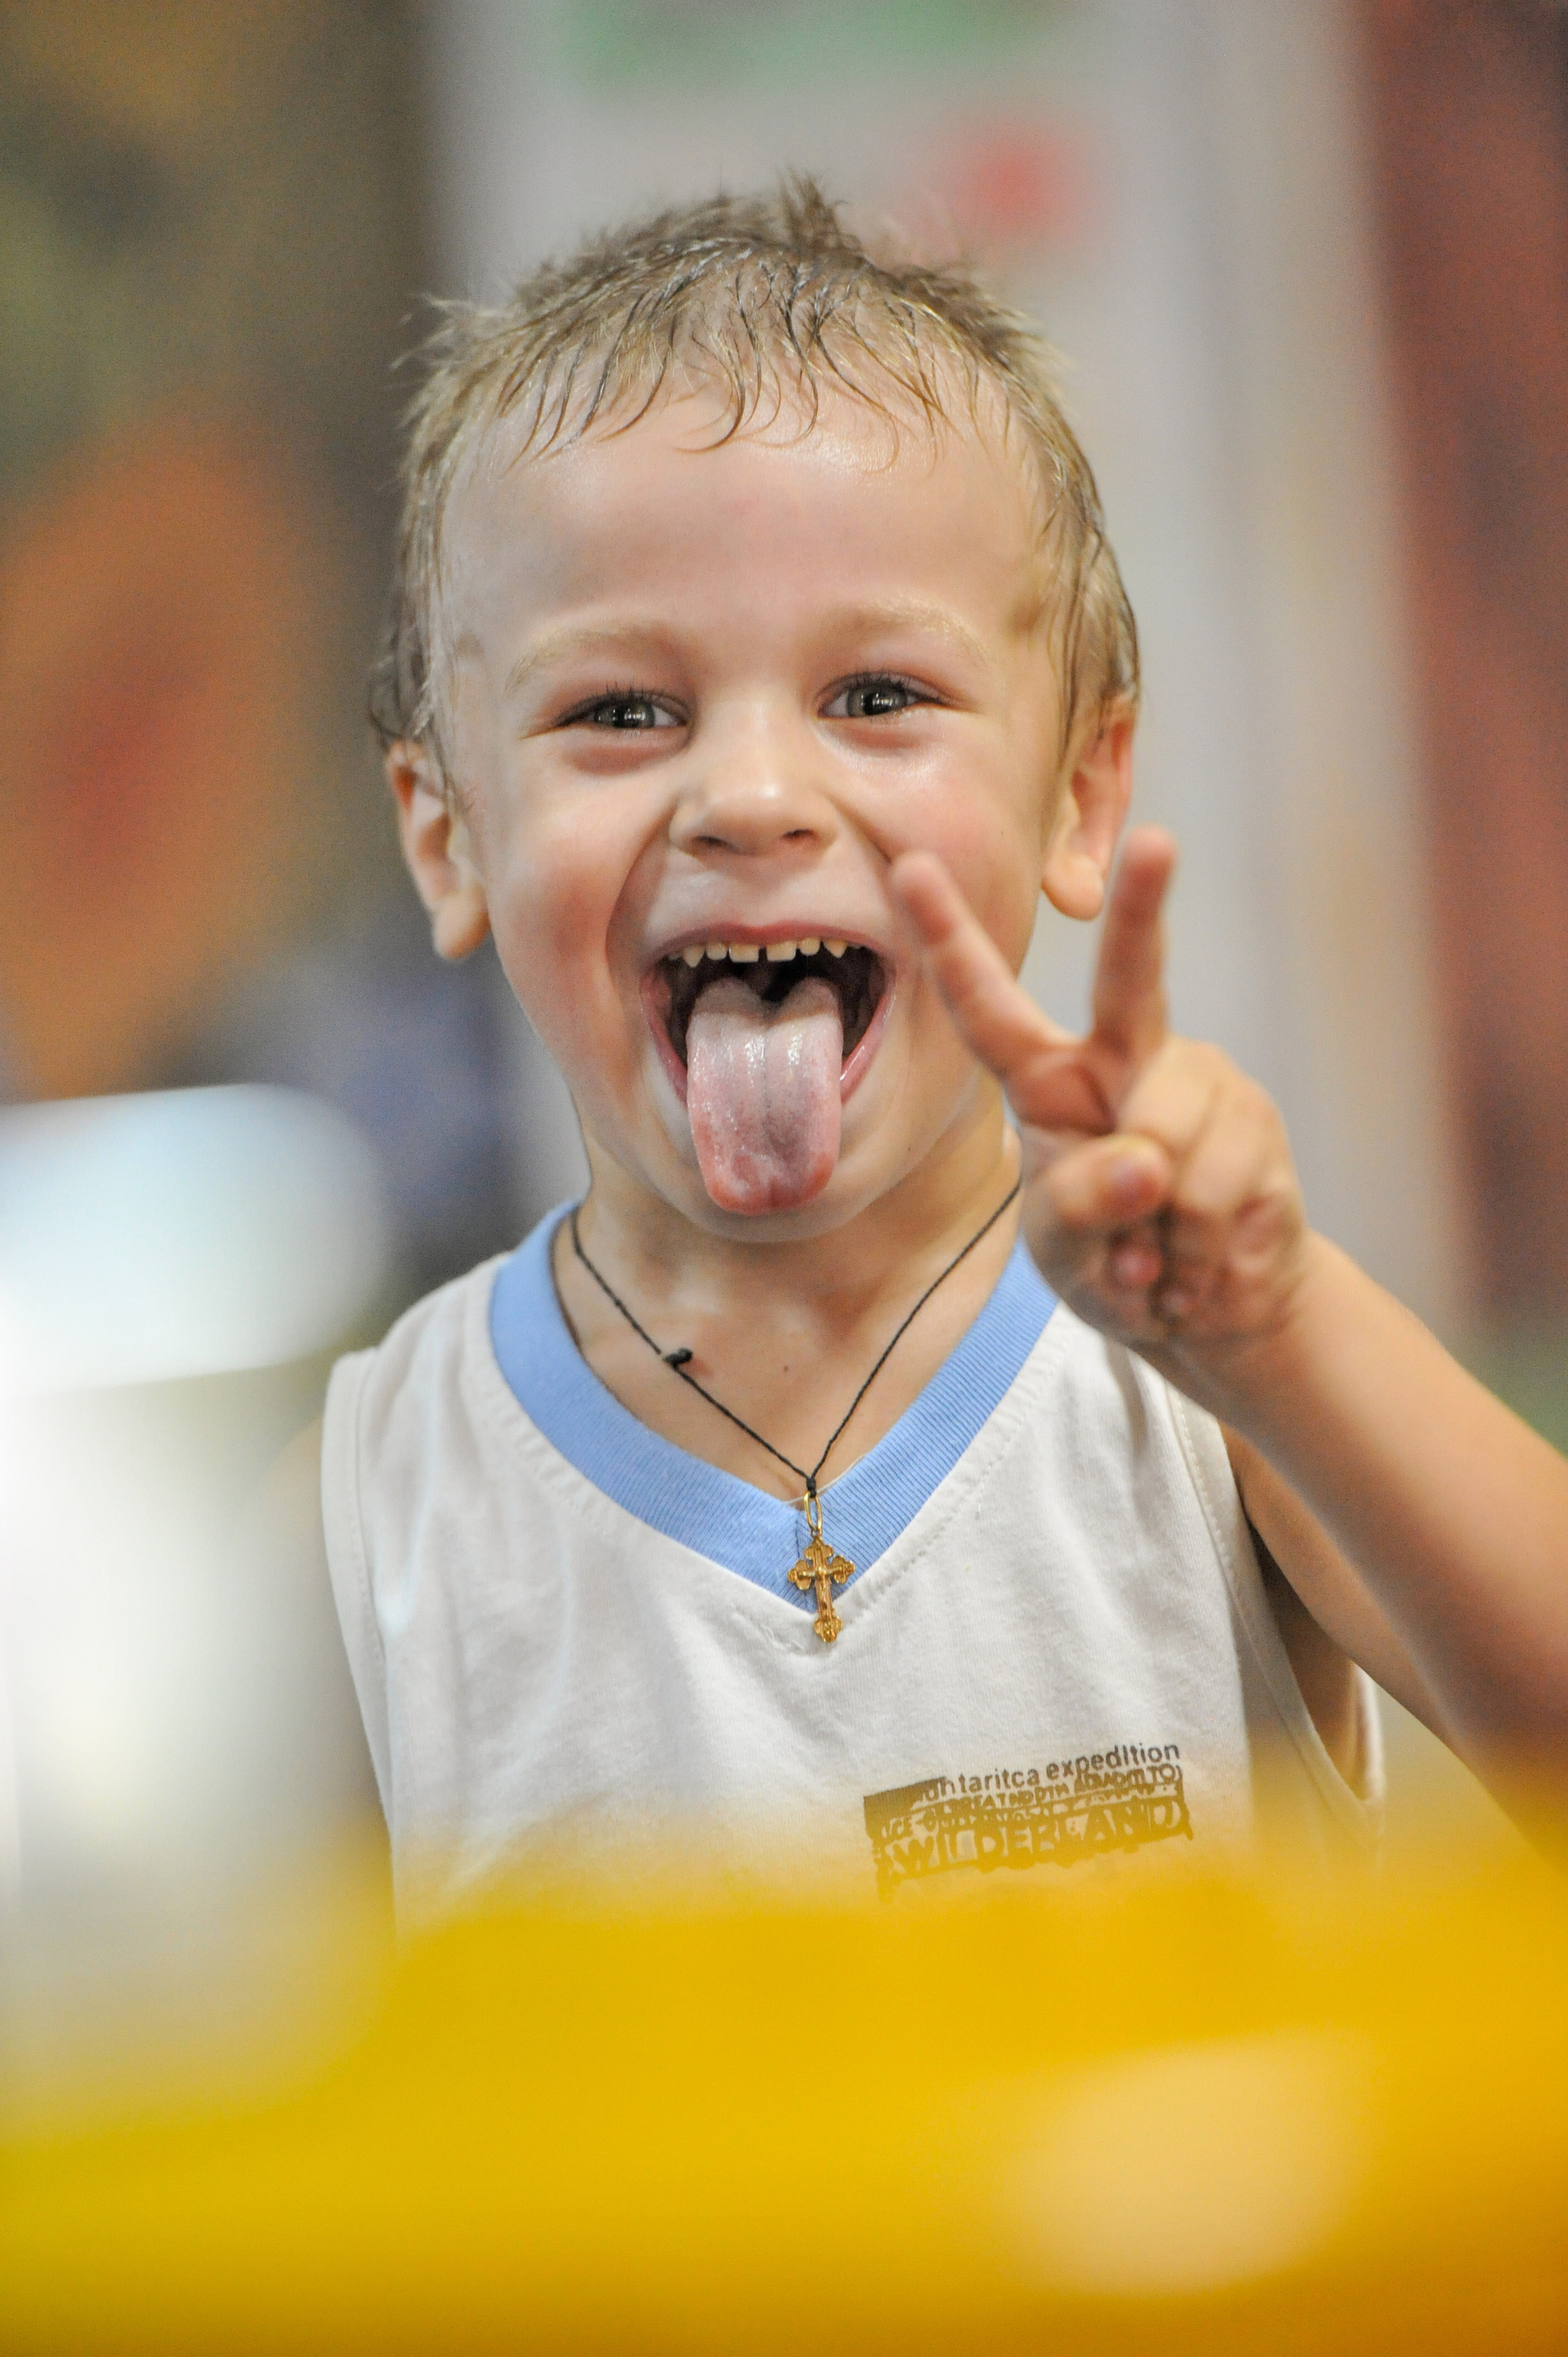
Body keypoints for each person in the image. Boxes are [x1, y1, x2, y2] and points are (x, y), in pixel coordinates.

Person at [259, 183, 1568, 1916]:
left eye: (876, 696)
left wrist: (1275, 1334)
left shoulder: (1210, 1398)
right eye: (619, 712)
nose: (747, 797)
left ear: (1081, 794)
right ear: (448, 836)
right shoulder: (363, 1521)